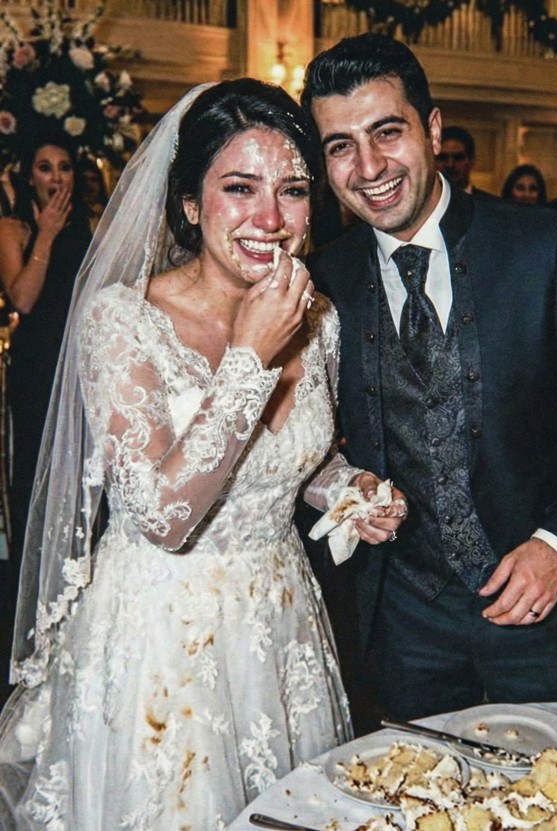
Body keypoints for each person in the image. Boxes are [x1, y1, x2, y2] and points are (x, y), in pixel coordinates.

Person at [0, 79, 405, 829]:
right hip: (163, 635)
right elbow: (162, 516)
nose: (269, 219)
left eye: (291, 190)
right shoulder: (122, 320)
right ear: (190, 204)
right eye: (239, 188)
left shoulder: (317, 316)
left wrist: (351, 490)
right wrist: (249, 358)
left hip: (280, 622)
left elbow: (297, 461)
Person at [301, 33, 557, 721]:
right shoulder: (324, 279)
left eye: (387, 132)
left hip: (547, 607)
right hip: (405, 619)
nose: (368, 167)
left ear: (432, 130)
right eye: (340, 145)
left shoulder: (541, 247)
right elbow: (312, 440)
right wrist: (350, 489)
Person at [0, 134, 92, 611]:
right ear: (29, 176)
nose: (56, 177)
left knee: (82, 472)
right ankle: (33, 592)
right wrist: (47, 235)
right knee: (37, 469)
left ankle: (80, 583)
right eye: (45, 167)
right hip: (37, 366)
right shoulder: (12, 228)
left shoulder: (91, 226)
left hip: (83, 362)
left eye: (64, 167)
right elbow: (23, 299)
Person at [435, 125, 478, 193]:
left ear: (472, 161)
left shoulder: (488, 200)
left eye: (458, 158)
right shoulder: (421, 199)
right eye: (442, 157)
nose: (450, 165)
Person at [77, 156, 109, 233]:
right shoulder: (74, 217)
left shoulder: (108, 213)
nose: (89, 184)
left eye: (94, 180)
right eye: (84, 180)